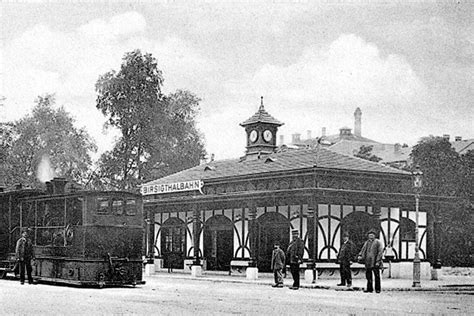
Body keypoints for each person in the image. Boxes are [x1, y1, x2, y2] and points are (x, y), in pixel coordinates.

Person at [358, 229, 384, 293]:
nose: (371, 236)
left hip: (375, 262)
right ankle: (369, 288)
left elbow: (380, 252)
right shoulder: (367, 242)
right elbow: (363, 250)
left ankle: (377, 289)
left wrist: (378, 261)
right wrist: (360, 256)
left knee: (377, 276)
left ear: (375, 235)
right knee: (368, 276)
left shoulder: (378, 242)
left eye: (372, 235)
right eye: (369, 235)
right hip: (368, 262)